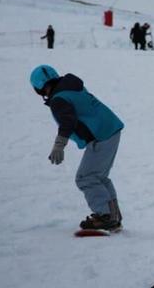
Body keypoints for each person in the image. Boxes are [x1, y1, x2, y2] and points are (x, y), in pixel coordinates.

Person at [29, 65, 124, 231]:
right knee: (98, 177)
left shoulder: (58, 99)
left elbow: (68, 121)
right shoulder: (69, 87)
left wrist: (59, 145)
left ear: (38, 88)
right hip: (110, 129)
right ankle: (112, 215)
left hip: (101, 136)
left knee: (86, 178)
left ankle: (106, 216)